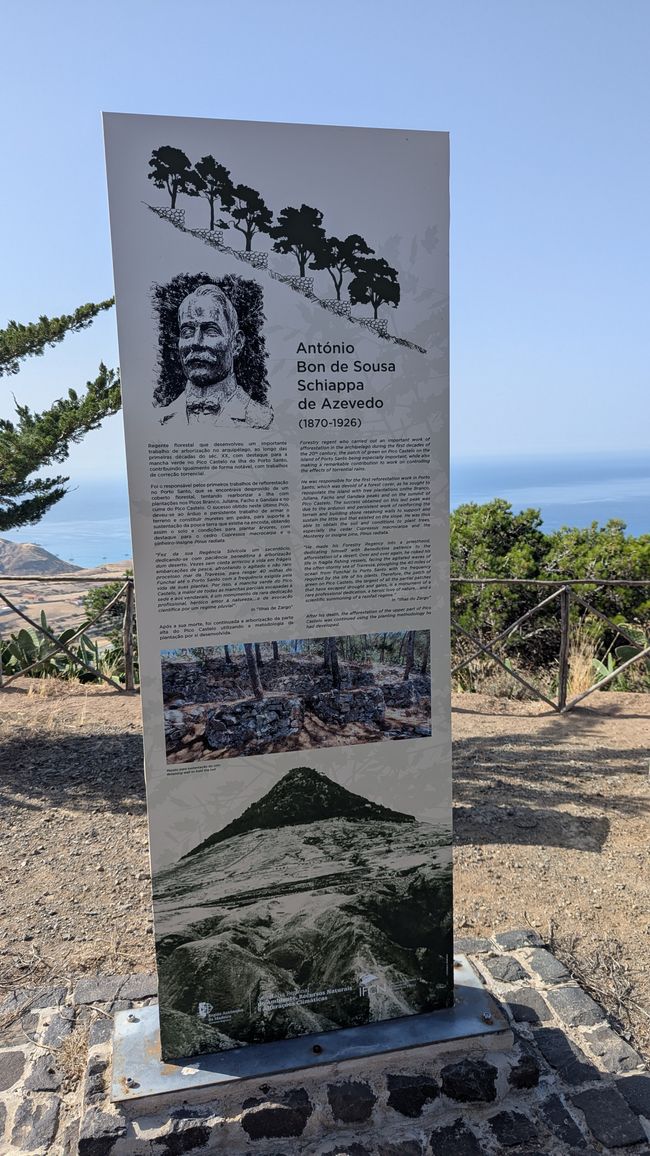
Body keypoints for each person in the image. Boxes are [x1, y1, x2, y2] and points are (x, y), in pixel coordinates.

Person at [157, 284, 273, 429]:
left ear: (236, 343)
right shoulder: (159, 421)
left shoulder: (263, 420)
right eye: (187, 332)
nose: (196, 342)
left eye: (210, 331)